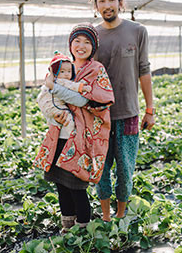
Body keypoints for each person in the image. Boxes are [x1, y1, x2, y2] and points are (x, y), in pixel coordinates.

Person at [33, 24, 114, 233]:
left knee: (76, 186)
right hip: (60, 135)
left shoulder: (96, 70)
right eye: (77, 41)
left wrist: (54, 86)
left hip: (82, 138)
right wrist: (52, 111)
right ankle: (68, 227)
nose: (81, 46)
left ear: (93, 47)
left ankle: (83, 229)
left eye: (87, 42)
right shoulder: (63, 67)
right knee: (61, 184)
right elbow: (46, 97)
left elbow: (81, 100)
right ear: (70, 45)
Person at [91, 0, 155, 222]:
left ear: (120, 2)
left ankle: (120, 215)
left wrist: (150, 109)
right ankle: (106, 218)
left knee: (126, 169)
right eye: (101, 1)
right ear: (96, 6)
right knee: (101, 170)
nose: (106, 5)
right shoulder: (91, 36)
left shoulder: (137, 31)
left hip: (128, 114)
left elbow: (144, 70)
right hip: (98, 116)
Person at [37, 51, 92, 140]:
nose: (66, 74)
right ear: (55, 72)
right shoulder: (60, 81)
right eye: (62, 71)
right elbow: (72, 86)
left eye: (69, 71)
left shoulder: (51, 81)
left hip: (45, 104)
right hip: (53, 105)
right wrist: (83, 87)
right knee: (67, 118)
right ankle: (73, 134)